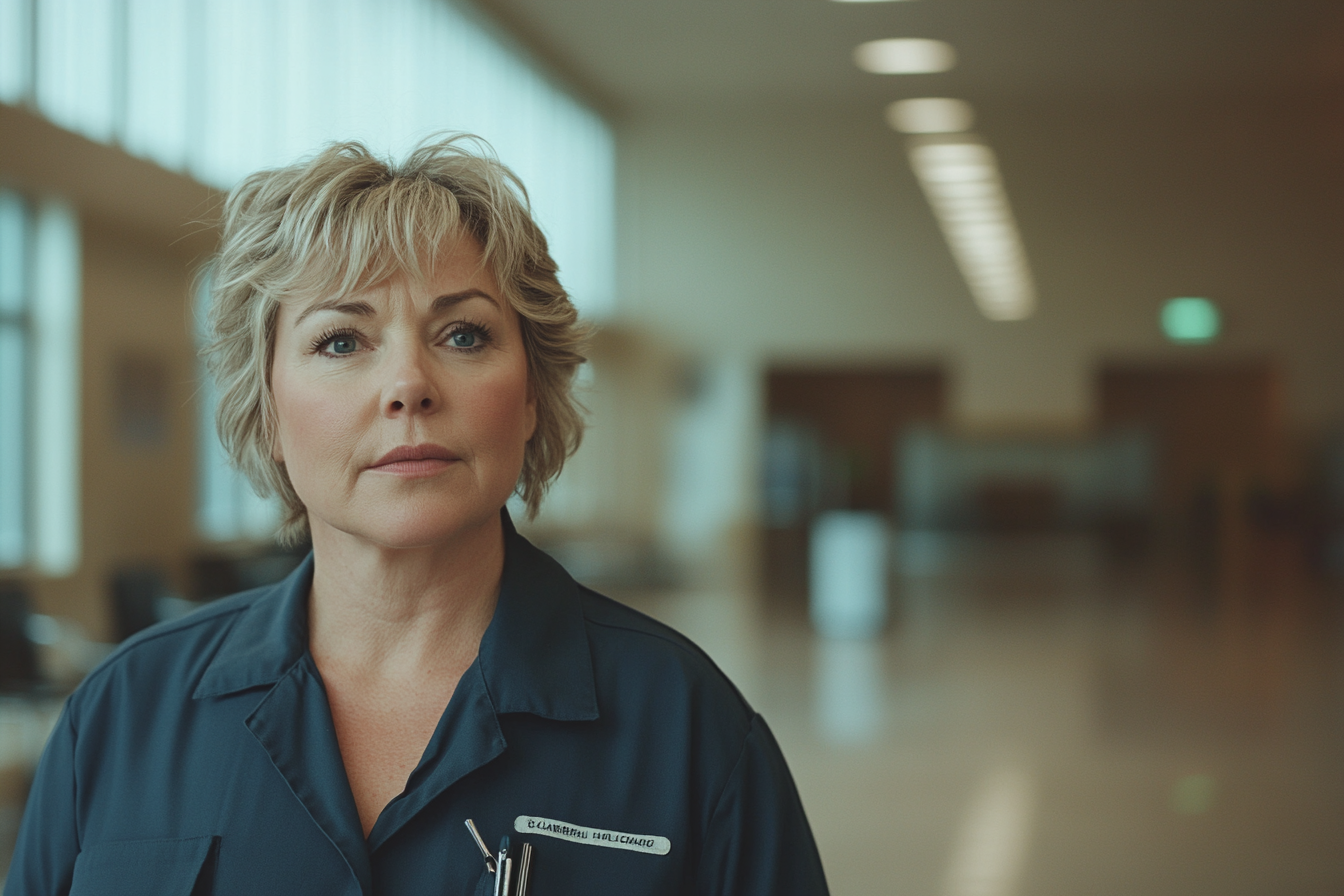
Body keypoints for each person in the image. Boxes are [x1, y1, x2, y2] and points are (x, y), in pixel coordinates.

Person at [5, 136, 828, 895]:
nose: (409, 383)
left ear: (534, 396)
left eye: (464, 335)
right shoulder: (120, 718)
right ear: (265, 409)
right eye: (340, 342)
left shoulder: (691, 732)